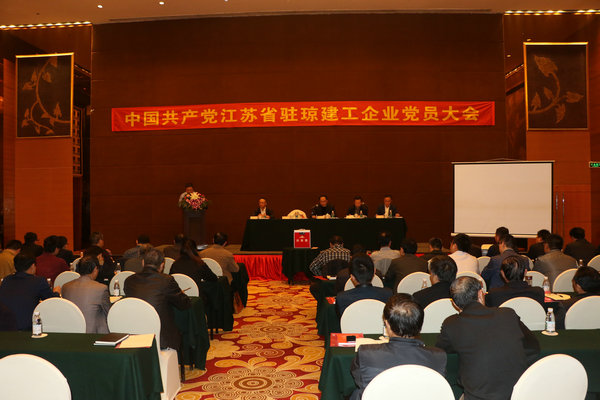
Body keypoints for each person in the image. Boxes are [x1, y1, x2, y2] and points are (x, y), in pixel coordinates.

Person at [436, 276, 540, 400]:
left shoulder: (451, 324)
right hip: (518, 394)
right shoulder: (508, 314)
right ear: (481, 294)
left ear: (454, 303)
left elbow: (441, 351)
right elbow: (533, 347)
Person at [350, 295, 446, 400]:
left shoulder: (366, 353)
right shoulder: (439, 357)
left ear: (387, 324)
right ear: (420, 325)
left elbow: (359, 379)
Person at [124, 249, 191, 350]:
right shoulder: (166, 280)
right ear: (162, 265)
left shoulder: (129, 280)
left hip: (134, 333)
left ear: (143, 263)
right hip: (160, 338)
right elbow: (184, 304)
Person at [0, 254, 59, 330]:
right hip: (27, 328)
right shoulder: (38, 281)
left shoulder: (6, 280)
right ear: (32, 266)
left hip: (4, 327)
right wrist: (57, 292)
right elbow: (52, 300)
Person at [62, 255, 111, 334]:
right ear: (95, 269)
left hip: (71, 331)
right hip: (93, 334)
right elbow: (108, 312)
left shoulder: (65, 287)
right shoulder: (101, 288)